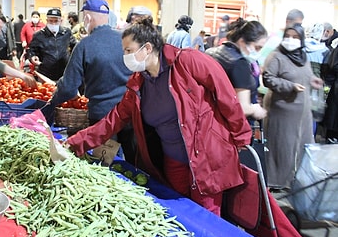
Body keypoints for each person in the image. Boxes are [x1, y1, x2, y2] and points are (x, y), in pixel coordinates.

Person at [66, 17, 252, 216]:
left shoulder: (188, 61)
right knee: (179, 215)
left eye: (128, 51)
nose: (125, 56)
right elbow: (114, 120)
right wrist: (75, 143)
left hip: (206, 158)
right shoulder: (138, 84)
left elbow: (226, 95)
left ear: (146, 48)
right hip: (173, 161)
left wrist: (240, 136)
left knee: (206, 218)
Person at [41, 0, 136, 162]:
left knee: (106, 164)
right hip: (130, 113)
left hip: (102, 118)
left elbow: (69, 87)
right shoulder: (126, 40)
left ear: (88, 18)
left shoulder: (85, 45)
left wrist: (52, 102)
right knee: (134, 164)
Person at [262, 24, 323, 191]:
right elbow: (268, 78)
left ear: (301, 39)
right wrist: (290, 86)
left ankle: (294, 180)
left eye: (295, 37)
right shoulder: (277, 57)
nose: (291, 40)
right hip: (283, 111)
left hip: (303, 113)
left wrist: (313, 80)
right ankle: (277, 181)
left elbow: (306, 75)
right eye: (288, 36)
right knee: (283, 147)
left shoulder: (303, 57)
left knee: (301, 145)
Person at [206, 19, 268, 122]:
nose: (258, 52)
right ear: (242, 41)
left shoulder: (210, 52)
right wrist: (255, 110)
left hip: (209, 117)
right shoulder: (240, 63)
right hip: (230, 124)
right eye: (257, 47)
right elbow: (243, 108)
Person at [27, 8, 75, 81]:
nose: (53, 23)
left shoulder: (66, 33)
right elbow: (32, 50)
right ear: (46, 21)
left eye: (56, 21)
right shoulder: (39, 35)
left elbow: (74, 46)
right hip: (45, 74)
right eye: (51, 21)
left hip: (64, 74)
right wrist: (32, 57)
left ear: (61, 21)